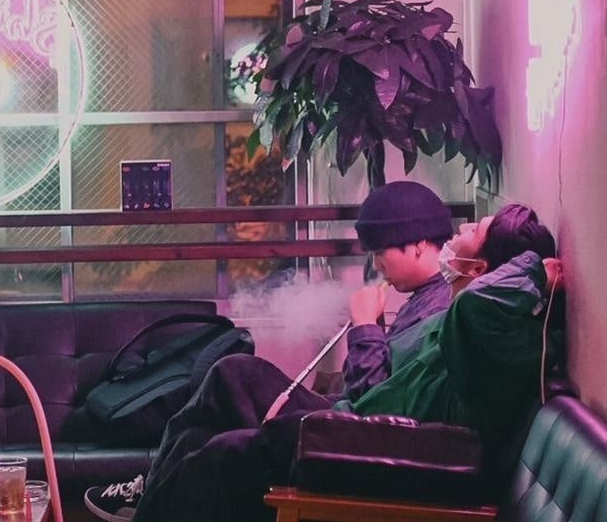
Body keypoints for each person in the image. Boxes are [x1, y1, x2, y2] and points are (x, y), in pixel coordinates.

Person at [92, 203, 564, 522]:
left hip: (386, 444)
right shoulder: (463, 315)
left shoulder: (474, 321)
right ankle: (154, 494)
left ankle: (158, 500)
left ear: (482, 270)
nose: (459, 230)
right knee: (229, 383)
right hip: (369, 425)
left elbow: (383, 378)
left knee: (220, 453)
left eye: (473, 231)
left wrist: (532, 269)